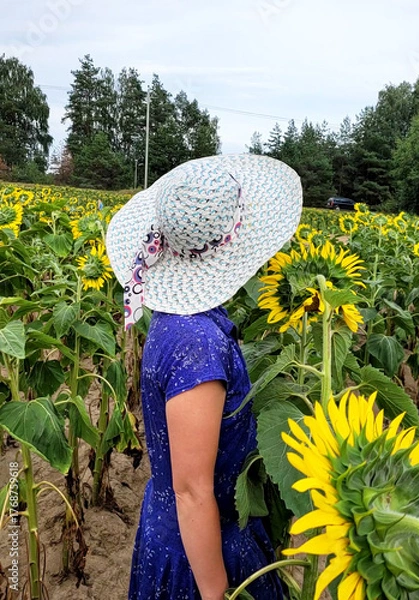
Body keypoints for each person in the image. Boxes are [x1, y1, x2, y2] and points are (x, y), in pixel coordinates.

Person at [105, 154, 302, 600]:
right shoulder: (198, 344)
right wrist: (216, 592)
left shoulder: (178, 317)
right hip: (202, 551)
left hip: (173, 529)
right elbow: (193, 491)